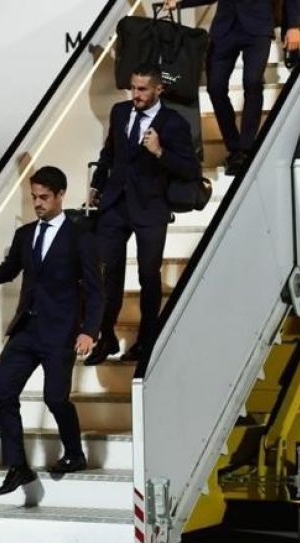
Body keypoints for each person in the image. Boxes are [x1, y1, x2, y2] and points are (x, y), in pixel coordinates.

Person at [0, 167, 104, 494]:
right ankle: (17, 467)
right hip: (26, 330)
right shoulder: (25, 234)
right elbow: (10, 269)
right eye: (34, 198)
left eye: (44, 197)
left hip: (61, 333)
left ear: (60, 196)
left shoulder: (80, 236)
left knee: (55, 398)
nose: (38, 204)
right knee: (3, 392)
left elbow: (97, 291)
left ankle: (74, 453)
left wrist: (89, 331)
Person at [86, 64, 202, 366]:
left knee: (148, 277)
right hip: (115, 205)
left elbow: (191, 170)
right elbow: (109, 153)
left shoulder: (173, 123)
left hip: (151, 208)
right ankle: (106, 336)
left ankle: (147, 340)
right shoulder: (120, 112)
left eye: (142, 89)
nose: (135, 95)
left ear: (158, 89)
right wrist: (96, 185)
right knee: (106, 273)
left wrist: (160, 152)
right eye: (133, 88)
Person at [167, 0, 300, 175]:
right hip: (225, 27)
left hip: (258, 26)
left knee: (253, 83)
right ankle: (234, 147)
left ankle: (245, 150)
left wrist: (293, 26)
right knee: (215, 87)